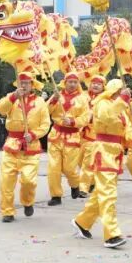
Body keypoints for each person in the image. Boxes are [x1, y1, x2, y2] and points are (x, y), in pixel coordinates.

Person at [71, 78, 132, 249]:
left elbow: (128, 128)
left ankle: (82, 222)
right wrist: (121, 100)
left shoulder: (122, 107)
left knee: (102, 192)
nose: (124, 92)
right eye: (120, 90)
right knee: (108, 194)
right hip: (103, 151)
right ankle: (112, 234)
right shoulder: (101, 103)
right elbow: (106, 117)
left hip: (115, 153)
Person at [0, 72, 50, 223]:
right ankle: (7, 211)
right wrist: (13, 97)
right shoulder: (11, 98)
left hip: (31, 147)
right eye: (21, 83)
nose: (24, 85)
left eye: (27, 83)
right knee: (6, 181)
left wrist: (33, 134)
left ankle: (27, 201)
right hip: (12, 145)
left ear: (32, 85)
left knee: (28, 181)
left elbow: (45, 124)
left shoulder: (40, 102)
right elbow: (0, 109)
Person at [46, 72, 89, 205]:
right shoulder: (57, 95)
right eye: (70, 82)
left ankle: (75, 185)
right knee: (53, 168)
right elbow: (45, 111)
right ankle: (56, 196)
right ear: (65, 83)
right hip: (56, 135)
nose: (72, 84)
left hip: (72, 137)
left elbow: (86, 118)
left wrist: (72, 121)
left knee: (69, 169)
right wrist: (53, 100)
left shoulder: (83, 99)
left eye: (75, 82)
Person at [78, 75, 106, 196]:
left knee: (88, 162)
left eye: (99, 84)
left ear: (103, 87)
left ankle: (83, 188)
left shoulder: (105, 99)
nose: (95, 85)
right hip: (80, 134)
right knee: (79, 160)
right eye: (93, 83)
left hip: (94, 134)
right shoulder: (83, 95)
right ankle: (93, 181)